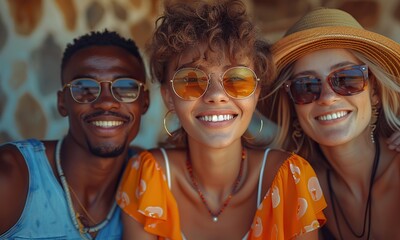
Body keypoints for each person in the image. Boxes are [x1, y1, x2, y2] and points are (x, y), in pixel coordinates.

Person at [115, 1, 326, 239]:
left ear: (256, 93)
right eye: (191, 80)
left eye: (237, 79)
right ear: (169, 98)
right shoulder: (148, 176)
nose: (216, 95)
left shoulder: (290, 179)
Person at [262, 7, 400, 239]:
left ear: (375, 92)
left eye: (347, 78)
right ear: (292, 106)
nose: (328, 98)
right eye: (306, 86)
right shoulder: (299, 188)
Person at [0, 30, 150, 239]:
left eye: (125, 87)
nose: (106, 101)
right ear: (63, 102)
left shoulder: (148, 177)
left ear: (144, 101)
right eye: (84, 87)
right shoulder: (12, 177)